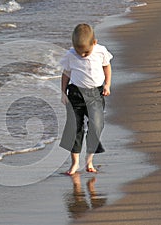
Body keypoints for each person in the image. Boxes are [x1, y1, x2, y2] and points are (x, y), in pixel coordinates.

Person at [59, 23, 113, 175]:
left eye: (86, 52)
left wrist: (107, 85)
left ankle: (89, 161)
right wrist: (63, 93)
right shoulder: (71, 55)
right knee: (74, 128)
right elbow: (66, 74)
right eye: (79, 52)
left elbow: (107, 67)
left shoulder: (100, 51)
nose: (82, 55)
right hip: (75, 95)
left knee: (96, 126)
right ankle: (75, 163)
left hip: (96, 94)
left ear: (94, 43)